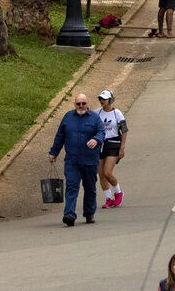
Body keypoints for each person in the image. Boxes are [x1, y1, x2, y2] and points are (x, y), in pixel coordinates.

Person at [47, 93, 104, 226]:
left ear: (87, 103)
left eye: (83, 103)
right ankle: (69, 215)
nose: (81, 106)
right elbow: (60, 136)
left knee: (90, 188)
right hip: (72, 161)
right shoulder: (68, 117)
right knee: (71, 187)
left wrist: (96, 140)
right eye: (78, 104)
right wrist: (54, 152)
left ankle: (89, 213)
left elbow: (101, 132)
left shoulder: (95, 118)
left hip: (90, 161)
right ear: (74, 104)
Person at [95, 88, 128, 209]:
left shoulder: (117, 113)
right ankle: (108, 198)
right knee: (101, 174)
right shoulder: (97, 113)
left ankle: (118, 192)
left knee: (107, 172)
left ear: (110, 100)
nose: (102, 101)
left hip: (114, 144)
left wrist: (122, 147)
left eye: (104, 99)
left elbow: (124, 130)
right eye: (100, 99)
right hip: (101, 144)